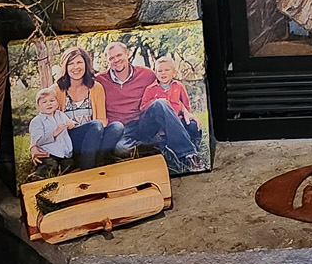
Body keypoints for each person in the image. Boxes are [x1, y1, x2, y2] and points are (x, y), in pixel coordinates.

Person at [99, 39, 200, 176]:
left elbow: (166, 91)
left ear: (127, 54)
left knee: (160, 103)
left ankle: (189, 155)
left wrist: (185, 111)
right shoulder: (99, 81)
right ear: (107, 61)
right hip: (122, 129)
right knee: (121, 149)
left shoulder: (147, 74)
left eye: (119, 55)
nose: (116, 60)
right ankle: (157, 145)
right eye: (111, 58)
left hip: (143, 123)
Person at [37, 45, 128, 170]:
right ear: (65, 67)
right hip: (69, 139)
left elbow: (101, 119)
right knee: (95, 125)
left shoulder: (96, 88)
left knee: (117, 127)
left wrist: (95, 136)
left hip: (93, 136)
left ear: (86, 65)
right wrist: (34, 147)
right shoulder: (56, 90)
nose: (76, 67)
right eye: (71, 63)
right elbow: (42, 120)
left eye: (79, 62)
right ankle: (88, 169)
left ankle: (97, 161)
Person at [152, 51, 207, 169]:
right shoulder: (151, 89)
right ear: (155, 73)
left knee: (192, 125)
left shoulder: (179, 86)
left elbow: (186, 106)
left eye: (166, 70)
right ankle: (188, 155)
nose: (163, 73)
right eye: (160, 71)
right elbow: (145, 108)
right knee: (162, 137)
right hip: (161, 125)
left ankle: (194, 145)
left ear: (174, 72)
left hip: (179, 120)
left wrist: (187, 114)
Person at [27, 87, 73, 169]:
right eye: (44, 102)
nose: (49, 104)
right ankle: (37, 177)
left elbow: (69, 122)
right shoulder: (37, 121)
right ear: (37, 106)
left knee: (69, 165)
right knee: (50, 165)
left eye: (52, 101)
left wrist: (71, 124)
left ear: (57, 103)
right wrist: (54, 133)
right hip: (48, 153)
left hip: (64, 152)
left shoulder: (61, 115)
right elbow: (38, 140)